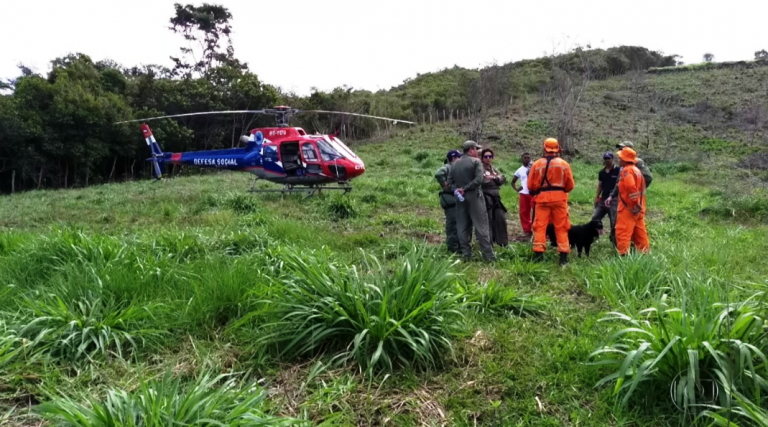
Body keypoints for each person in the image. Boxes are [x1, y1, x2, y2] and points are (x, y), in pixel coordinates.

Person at [527, 138, 575, 266]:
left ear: (544, 148)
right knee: (562, 227)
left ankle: (538, 256)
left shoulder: (537, 164)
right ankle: (563, 259)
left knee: (540, 226)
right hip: (559, 200)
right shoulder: (564, 164)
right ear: (558, 149)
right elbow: (570, 185)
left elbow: (530, 185)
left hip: (542, 200)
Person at [448, 141, 496, 262]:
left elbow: (449, 183)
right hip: (474, 195)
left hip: (460, 197)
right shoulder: (476, 162)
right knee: (481, 225)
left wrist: (458, 189)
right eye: (476, 149)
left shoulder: (454, 164)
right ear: (470, 150)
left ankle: (466, 254)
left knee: (462, 225)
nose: (477, 152)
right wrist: (465, 188)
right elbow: (478, 180)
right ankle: (488, 256)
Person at [605, 141, 653, 246]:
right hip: (623, 198)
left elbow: (646, 178)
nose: (619, 152)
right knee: (619, 222)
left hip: (631, 201)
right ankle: (618, 243)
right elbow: (620, 182)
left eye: (622, 149)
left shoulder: (635, 164)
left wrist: (636, 194)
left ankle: (625, 251)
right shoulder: (623, 166)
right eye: (620, 149)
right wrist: (612, 195)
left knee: (626, 226)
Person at [614, 147, 649, 255]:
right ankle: (644, 255)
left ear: (625, 159)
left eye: (620, 158)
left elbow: (631, 187)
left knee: (622, 232)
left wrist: (634, 204)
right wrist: (638, 205)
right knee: (640, 234)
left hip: (629, 210)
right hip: (639, 209)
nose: (619, 160)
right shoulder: (637, 171)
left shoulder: (627, 171)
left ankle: (623, 258)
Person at [435, 150, 462, 254]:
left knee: (458, 224)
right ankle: (452, 249)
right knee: (452, 225)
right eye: (459, 157)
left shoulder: (456, 167)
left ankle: (458, 247)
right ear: (454, 158)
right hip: (450, 200)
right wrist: (445, 185)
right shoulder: (449, 166)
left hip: (457, 199)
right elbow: (438, 174)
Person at [480, 148, 508, 247]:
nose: (488, 158)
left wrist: (494, 178)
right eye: (486, 157)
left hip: (496, 197)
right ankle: (488, 243)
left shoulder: (493, 168)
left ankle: (502, 243)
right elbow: (483, 181)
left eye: (490, 156)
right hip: (486, 196)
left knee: (501, 218)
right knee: (488, 220)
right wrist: (495, 179)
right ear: (482, 158)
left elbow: (503, 178)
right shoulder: (480, 168)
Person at [591, 151, 620, 244]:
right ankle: (596, 234)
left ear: (613, 159)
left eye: (609, 158)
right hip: (603, 199)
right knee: (595, 217)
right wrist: (596, 198)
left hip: (614, 200)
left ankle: (614, 240)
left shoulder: (618, 170)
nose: (607, 160)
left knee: (613, 221)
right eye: (606, 159)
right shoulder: (602, 172)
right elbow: (600, 185)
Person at [511, 153, 533, 236]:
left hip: (533, 193)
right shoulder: (519, 170)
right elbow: (513, 182)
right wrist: (517, 189)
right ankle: (527, 230)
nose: (527, 159)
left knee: (537, 212)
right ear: (522, 159)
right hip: (523, 194)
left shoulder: (534, 168)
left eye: (528, 158)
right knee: (524, 212)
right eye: (525, 158)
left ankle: (537, 229)